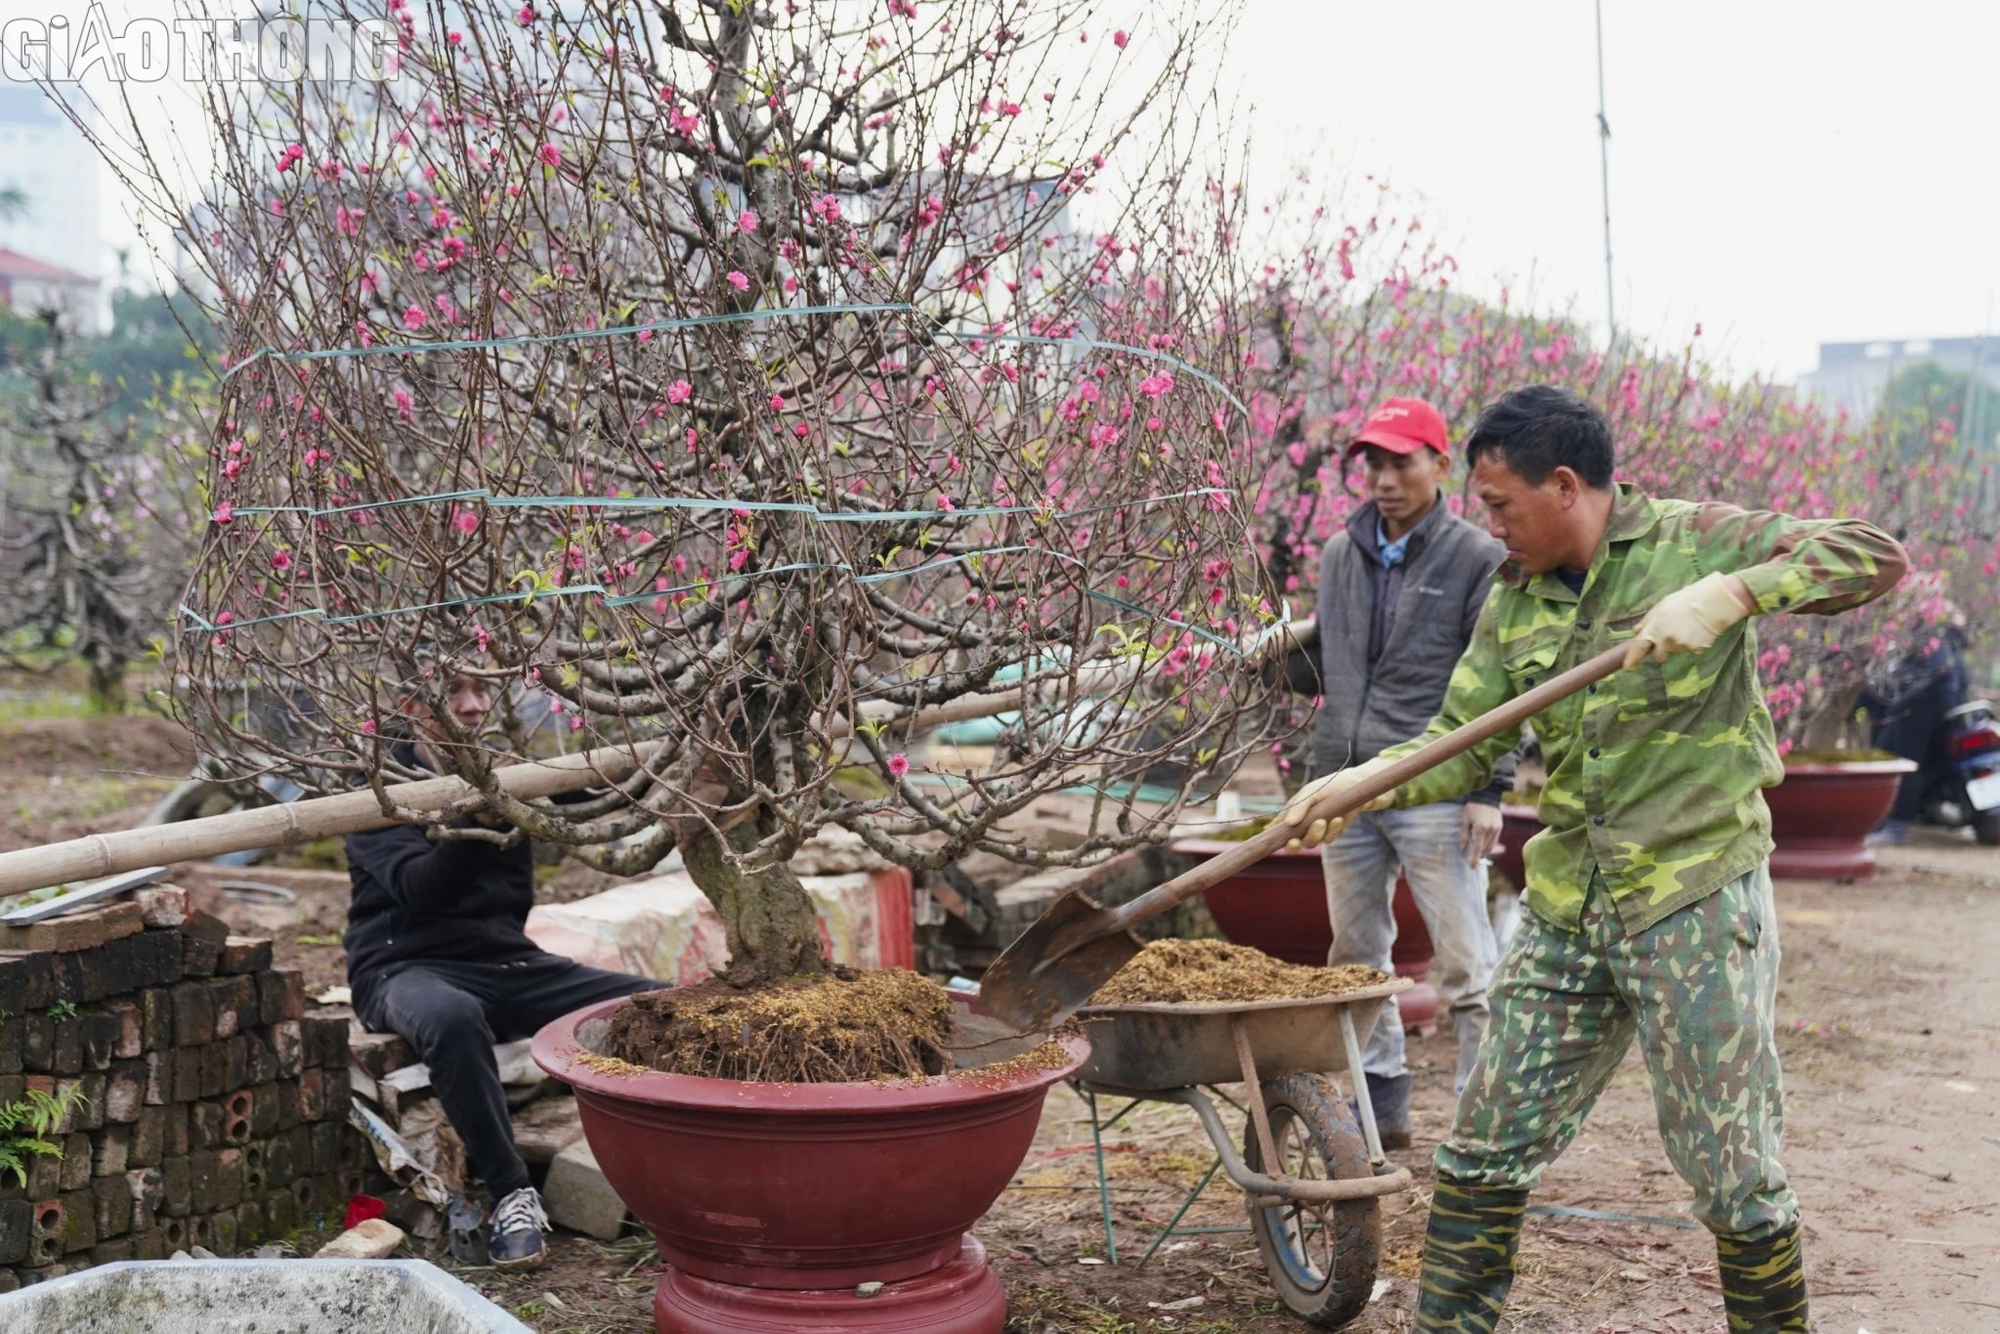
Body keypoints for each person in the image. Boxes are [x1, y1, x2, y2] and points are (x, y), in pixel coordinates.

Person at [1280, 385, 1906, 1332]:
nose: (1489, 525)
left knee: (1733, 1173)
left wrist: (1735, 592)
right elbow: (1457, 732)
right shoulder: (1514, 598)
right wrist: (1356, 785)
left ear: (1564, 485)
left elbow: (1872, 553)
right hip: (1571, 908)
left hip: (1693, 899)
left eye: (1499, 504)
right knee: (1481, 1150)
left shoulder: (1698, 540)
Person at [344, 667, 662, 1269]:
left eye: (481, 691)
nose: (472, 707)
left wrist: (682, 762)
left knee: (656, 1006)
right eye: (453, 693)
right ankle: (512, 1193)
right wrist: (479, 822)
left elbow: (605, 802)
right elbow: (419, 889)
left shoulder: (512, 771)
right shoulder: (375, 789)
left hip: (508, 962)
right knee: (454, 1017)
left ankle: (675, 1177)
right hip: (403, 966)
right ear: (412, 703)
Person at [1268, 395, 1511, 1148]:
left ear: (1442, 466)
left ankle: (1485, 1123)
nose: (1383, 478)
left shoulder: (1479, 558)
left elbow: (1503, 677)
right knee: (1357, 958)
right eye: (1372, 462)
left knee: (1466, 961)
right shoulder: (1344, 552)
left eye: (1401, 461)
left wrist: (1488, 789)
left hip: (1435, 788)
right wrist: (1272, 659)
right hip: (1348, 783)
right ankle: (1382, 1108)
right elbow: (1338, 665)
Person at [1860, 610, 1970, 840]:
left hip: (1918, 710)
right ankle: (1887, 821)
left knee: (1901, 762)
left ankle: (1895, 824)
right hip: (1935, 709)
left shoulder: (1932, 638)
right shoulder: (1949, 643)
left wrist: (1901, 702)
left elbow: (1936, 674)